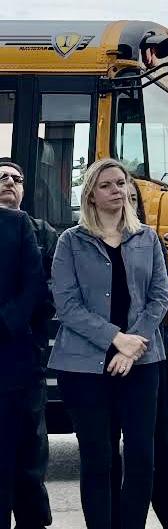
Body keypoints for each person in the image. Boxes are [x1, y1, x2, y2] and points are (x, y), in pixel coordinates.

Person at [48, 158, 168, 529]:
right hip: (83, 368)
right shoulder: (70, 241)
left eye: (121, 183)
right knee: (98, 458)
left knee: (139, 457)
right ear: (91, 195)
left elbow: (160, 296)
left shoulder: (147, 238)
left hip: (143, 363)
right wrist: (116, 339)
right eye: (107, 185)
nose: (118, 190)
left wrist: (134, 346)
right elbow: (66, 305)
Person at [127, 180, 168, 529]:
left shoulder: (151, 243)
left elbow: (161, 299)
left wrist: (136, 339)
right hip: (107, 358)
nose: (126, 201)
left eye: (134, 198)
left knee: (156, 447)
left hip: (149, 357)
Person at [0, 159, 55, 529]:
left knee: (28, 453)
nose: (9, 183)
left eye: (16, 178)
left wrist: (13, 324)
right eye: (1, 177)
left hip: (21, 352)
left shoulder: (40, 231)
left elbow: (45, 287)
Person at [0, 206, 44, 529]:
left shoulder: (16, 225)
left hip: (10, 360)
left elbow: (34, 285)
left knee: (19, 454)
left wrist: (5, 324)